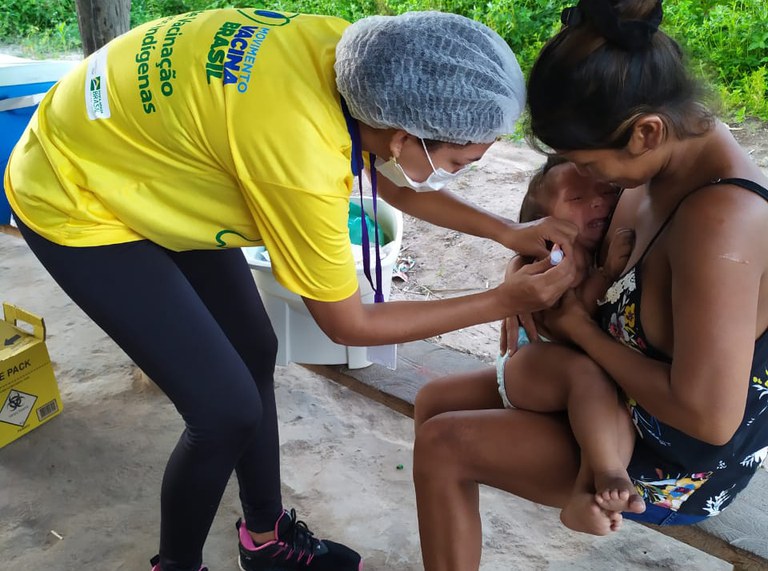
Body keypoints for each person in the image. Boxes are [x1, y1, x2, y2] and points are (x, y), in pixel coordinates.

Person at [3, 8, 579, 571]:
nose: (461, 171)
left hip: (148, 153)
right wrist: (502, 301)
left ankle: (265, 538)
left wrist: (508, 231)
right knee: (224, 411)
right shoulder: (299, 158)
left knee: (253, 350)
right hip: (75, 190)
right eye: (458, 161)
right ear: (405, 136)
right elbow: (348, 324)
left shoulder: (358, 61)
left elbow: (392, 181)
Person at [413, 0, 768, 569]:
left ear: (645, 132)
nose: (592, 183)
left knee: (443, 445)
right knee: (432, 403)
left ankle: (593, 482)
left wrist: (579, 330)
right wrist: (522, 276)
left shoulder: (720, 222)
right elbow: (581, 241)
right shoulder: (669, 147)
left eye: (592, 167)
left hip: (670, 453)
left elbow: (707, 418)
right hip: (602, 384)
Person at [493, 155, 642, 535]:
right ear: (541, 222)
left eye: (607, 191)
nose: (598, 202)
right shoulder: (555, 257)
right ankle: (606, 472)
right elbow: (569, 318)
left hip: (570, 381)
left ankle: (591, 495)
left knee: (619, 411)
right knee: (587, 374)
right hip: (532, 364)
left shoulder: (592, 250)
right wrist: (607, 274)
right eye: (577, 199)